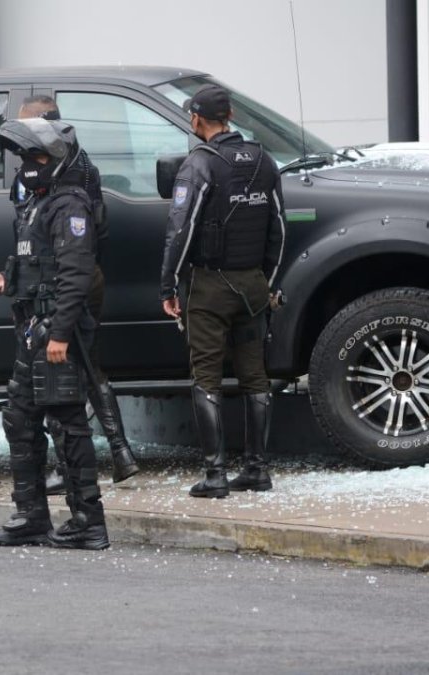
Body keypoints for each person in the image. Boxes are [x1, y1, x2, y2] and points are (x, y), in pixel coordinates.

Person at [0, 116, 109, 549]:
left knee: (67, 424)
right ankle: (32, 515)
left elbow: (75, 275)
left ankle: (88, 522)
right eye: (22, 156)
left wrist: (60, 335)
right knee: (20, 418)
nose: (26, 164)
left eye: (35, 155)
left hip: (56, 332)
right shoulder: (37, 201)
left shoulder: (69, 204)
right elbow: (37, 265)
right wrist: (6, 283)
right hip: (33, 328)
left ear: (55, 158)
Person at [159, 84, 286, 498]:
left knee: (207, 377)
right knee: (255, 378)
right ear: (229, 116)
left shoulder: (200, 164)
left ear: (197, 119)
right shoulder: (264, 160)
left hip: (209, 287)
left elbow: (182, 228)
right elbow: (278, 229)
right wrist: (264, 279)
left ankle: (214, 475)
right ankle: (257, 470)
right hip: (253, 284)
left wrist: (168, 283)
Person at [10, 95, 140, 495]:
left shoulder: (67, 171)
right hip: (74, 275)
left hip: (68, 279)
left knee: (62, 373)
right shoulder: (79, 163)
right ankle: (119, 452)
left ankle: (77, 469)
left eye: (28, 128)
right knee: (86, 367)